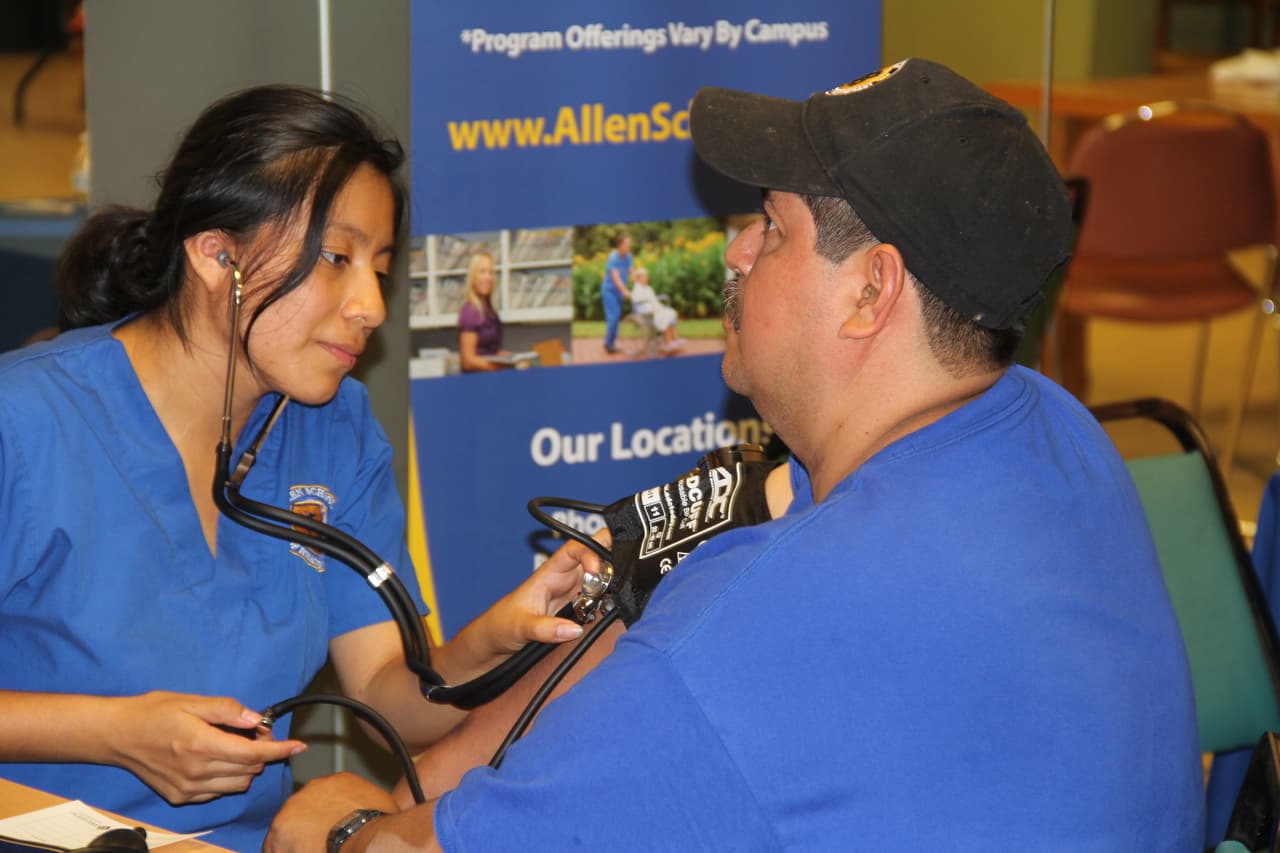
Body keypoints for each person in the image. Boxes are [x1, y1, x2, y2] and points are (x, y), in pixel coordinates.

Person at [267, 59, 1205, 851]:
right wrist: (434, 771)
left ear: (872, 291)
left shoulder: (747, 635)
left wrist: (349, 822)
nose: (734, 250)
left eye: (770, 225)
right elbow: (664, 609)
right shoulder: (1054, 429)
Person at [0, 85, 585, 852]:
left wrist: (497, 642)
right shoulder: (28, 419)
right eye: (336, 258)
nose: (371, 305)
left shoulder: (334, 430)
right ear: (217, 256)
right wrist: (113, 732)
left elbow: (386, 696)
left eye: (379, 266)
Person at [455, 249, 508, 372]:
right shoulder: (470, 312)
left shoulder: (490, 311)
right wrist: (499, 367)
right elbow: (468, 361)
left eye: (490, 272)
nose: (487, 277)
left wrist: (513, 359)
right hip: (477, 382)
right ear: (473, 277)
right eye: (482, 272)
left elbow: (490, 351)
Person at [629, 265, 684, 354]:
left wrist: (658, 306)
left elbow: (654, 300)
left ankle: (674, 339)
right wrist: (652, 305)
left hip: (653, 309)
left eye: (646, 276)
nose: (646, 278)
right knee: (665, 315)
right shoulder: (637, 289)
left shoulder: (648, 288)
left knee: (670, 313)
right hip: (646, 312)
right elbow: (636, 300)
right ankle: (668, 342)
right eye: (644, 277)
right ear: (639, 278)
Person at [599, 232, 632, 354]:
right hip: (609, 291)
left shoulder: (628, 256)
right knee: (613, 317)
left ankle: (610, 343)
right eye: (627, 244)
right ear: (620, 246)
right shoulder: (613, 257)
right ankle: (608, 343)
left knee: (616, 317)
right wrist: (624, 291)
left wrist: (640, 285)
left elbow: (631, 272)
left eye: (630, 244)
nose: (629, 247)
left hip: (618, 291)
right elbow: (615, 278)